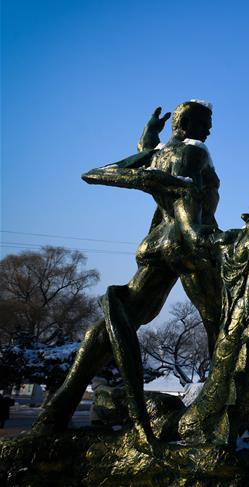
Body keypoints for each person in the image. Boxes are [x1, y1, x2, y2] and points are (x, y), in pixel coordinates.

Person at [33, 102, 220, 450]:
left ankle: (57, 411)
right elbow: (186, 203)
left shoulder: (160, 153)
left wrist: (150, 134)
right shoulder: (193, 156)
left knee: (109, 330)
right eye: (205, 123)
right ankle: (224, 409)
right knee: (220, 322)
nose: (209, 131)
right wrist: (203, 241)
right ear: (187, 122)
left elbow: (132, 158)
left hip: (155, 245)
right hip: (185, 243)